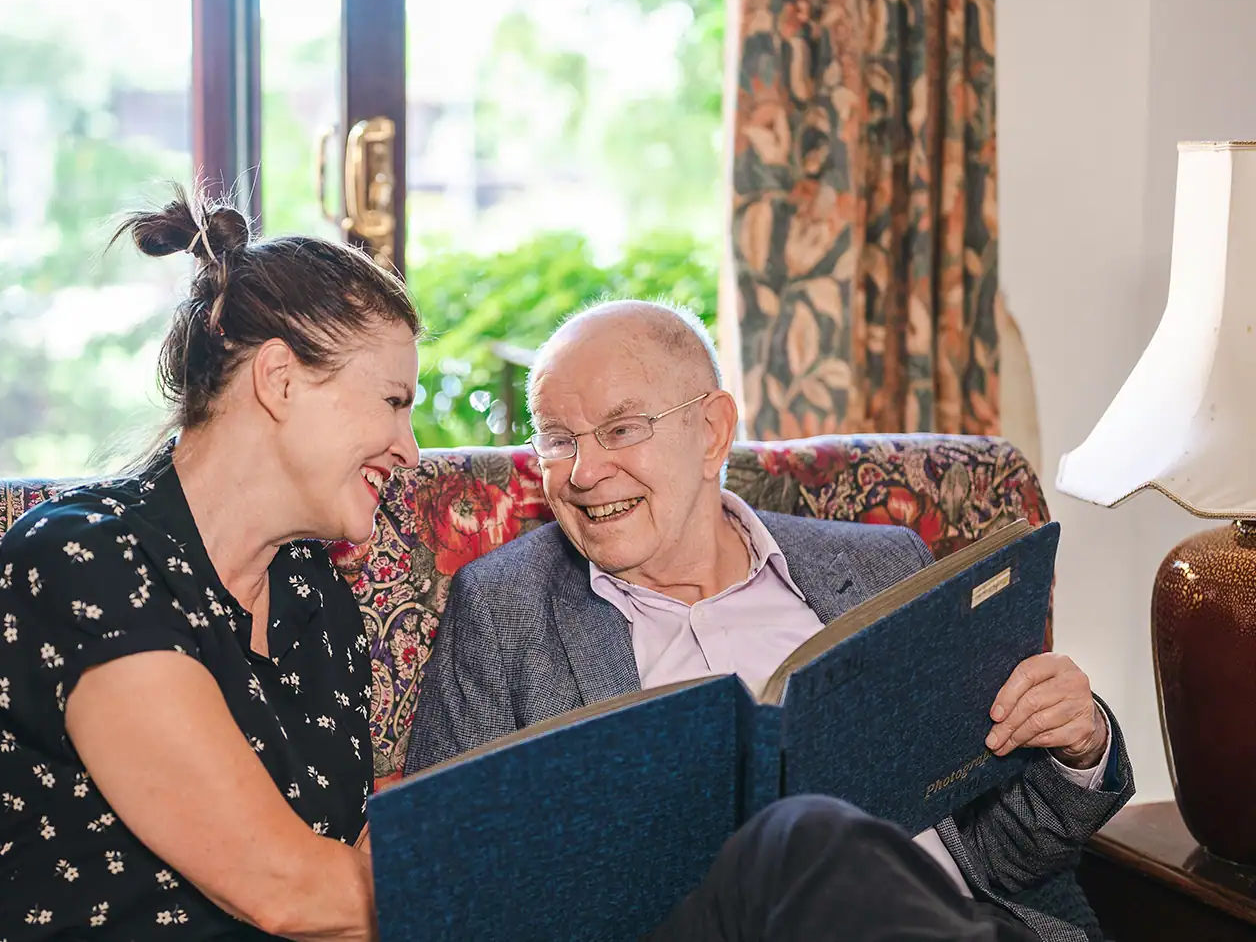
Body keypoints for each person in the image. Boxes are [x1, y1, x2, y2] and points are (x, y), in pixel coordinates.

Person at [404, 299, 1135, 942]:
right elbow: (442, 876)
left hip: (959, 917)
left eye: (622, 428)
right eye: (558, 439)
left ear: (713, 430)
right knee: (795, 833)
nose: (583, 471)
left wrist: (1079, 744)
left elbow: (1007, 848)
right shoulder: (504, 609)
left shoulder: (882, 567)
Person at [0, 187, 420, 941]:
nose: (410, 449)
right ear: (280, 379)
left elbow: (345, 881)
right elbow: (291, 888)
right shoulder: (81, 562)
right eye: (393, 401)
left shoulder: (315, 598)